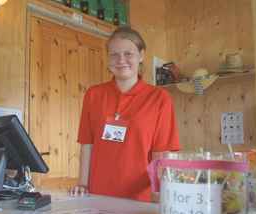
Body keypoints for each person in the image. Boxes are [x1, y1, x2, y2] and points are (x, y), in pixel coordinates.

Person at [70, 26, 180, 202]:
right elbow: (87, 144)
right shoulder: (94, 94)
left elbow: (161, 154)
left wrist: (161, 196)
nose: (121, 60)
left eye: (128, 53)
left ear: (141, 55)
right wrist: (82, 184)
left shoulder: (160, 98)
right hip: (96, 195)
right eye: (114, 54)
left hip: (140, 199)